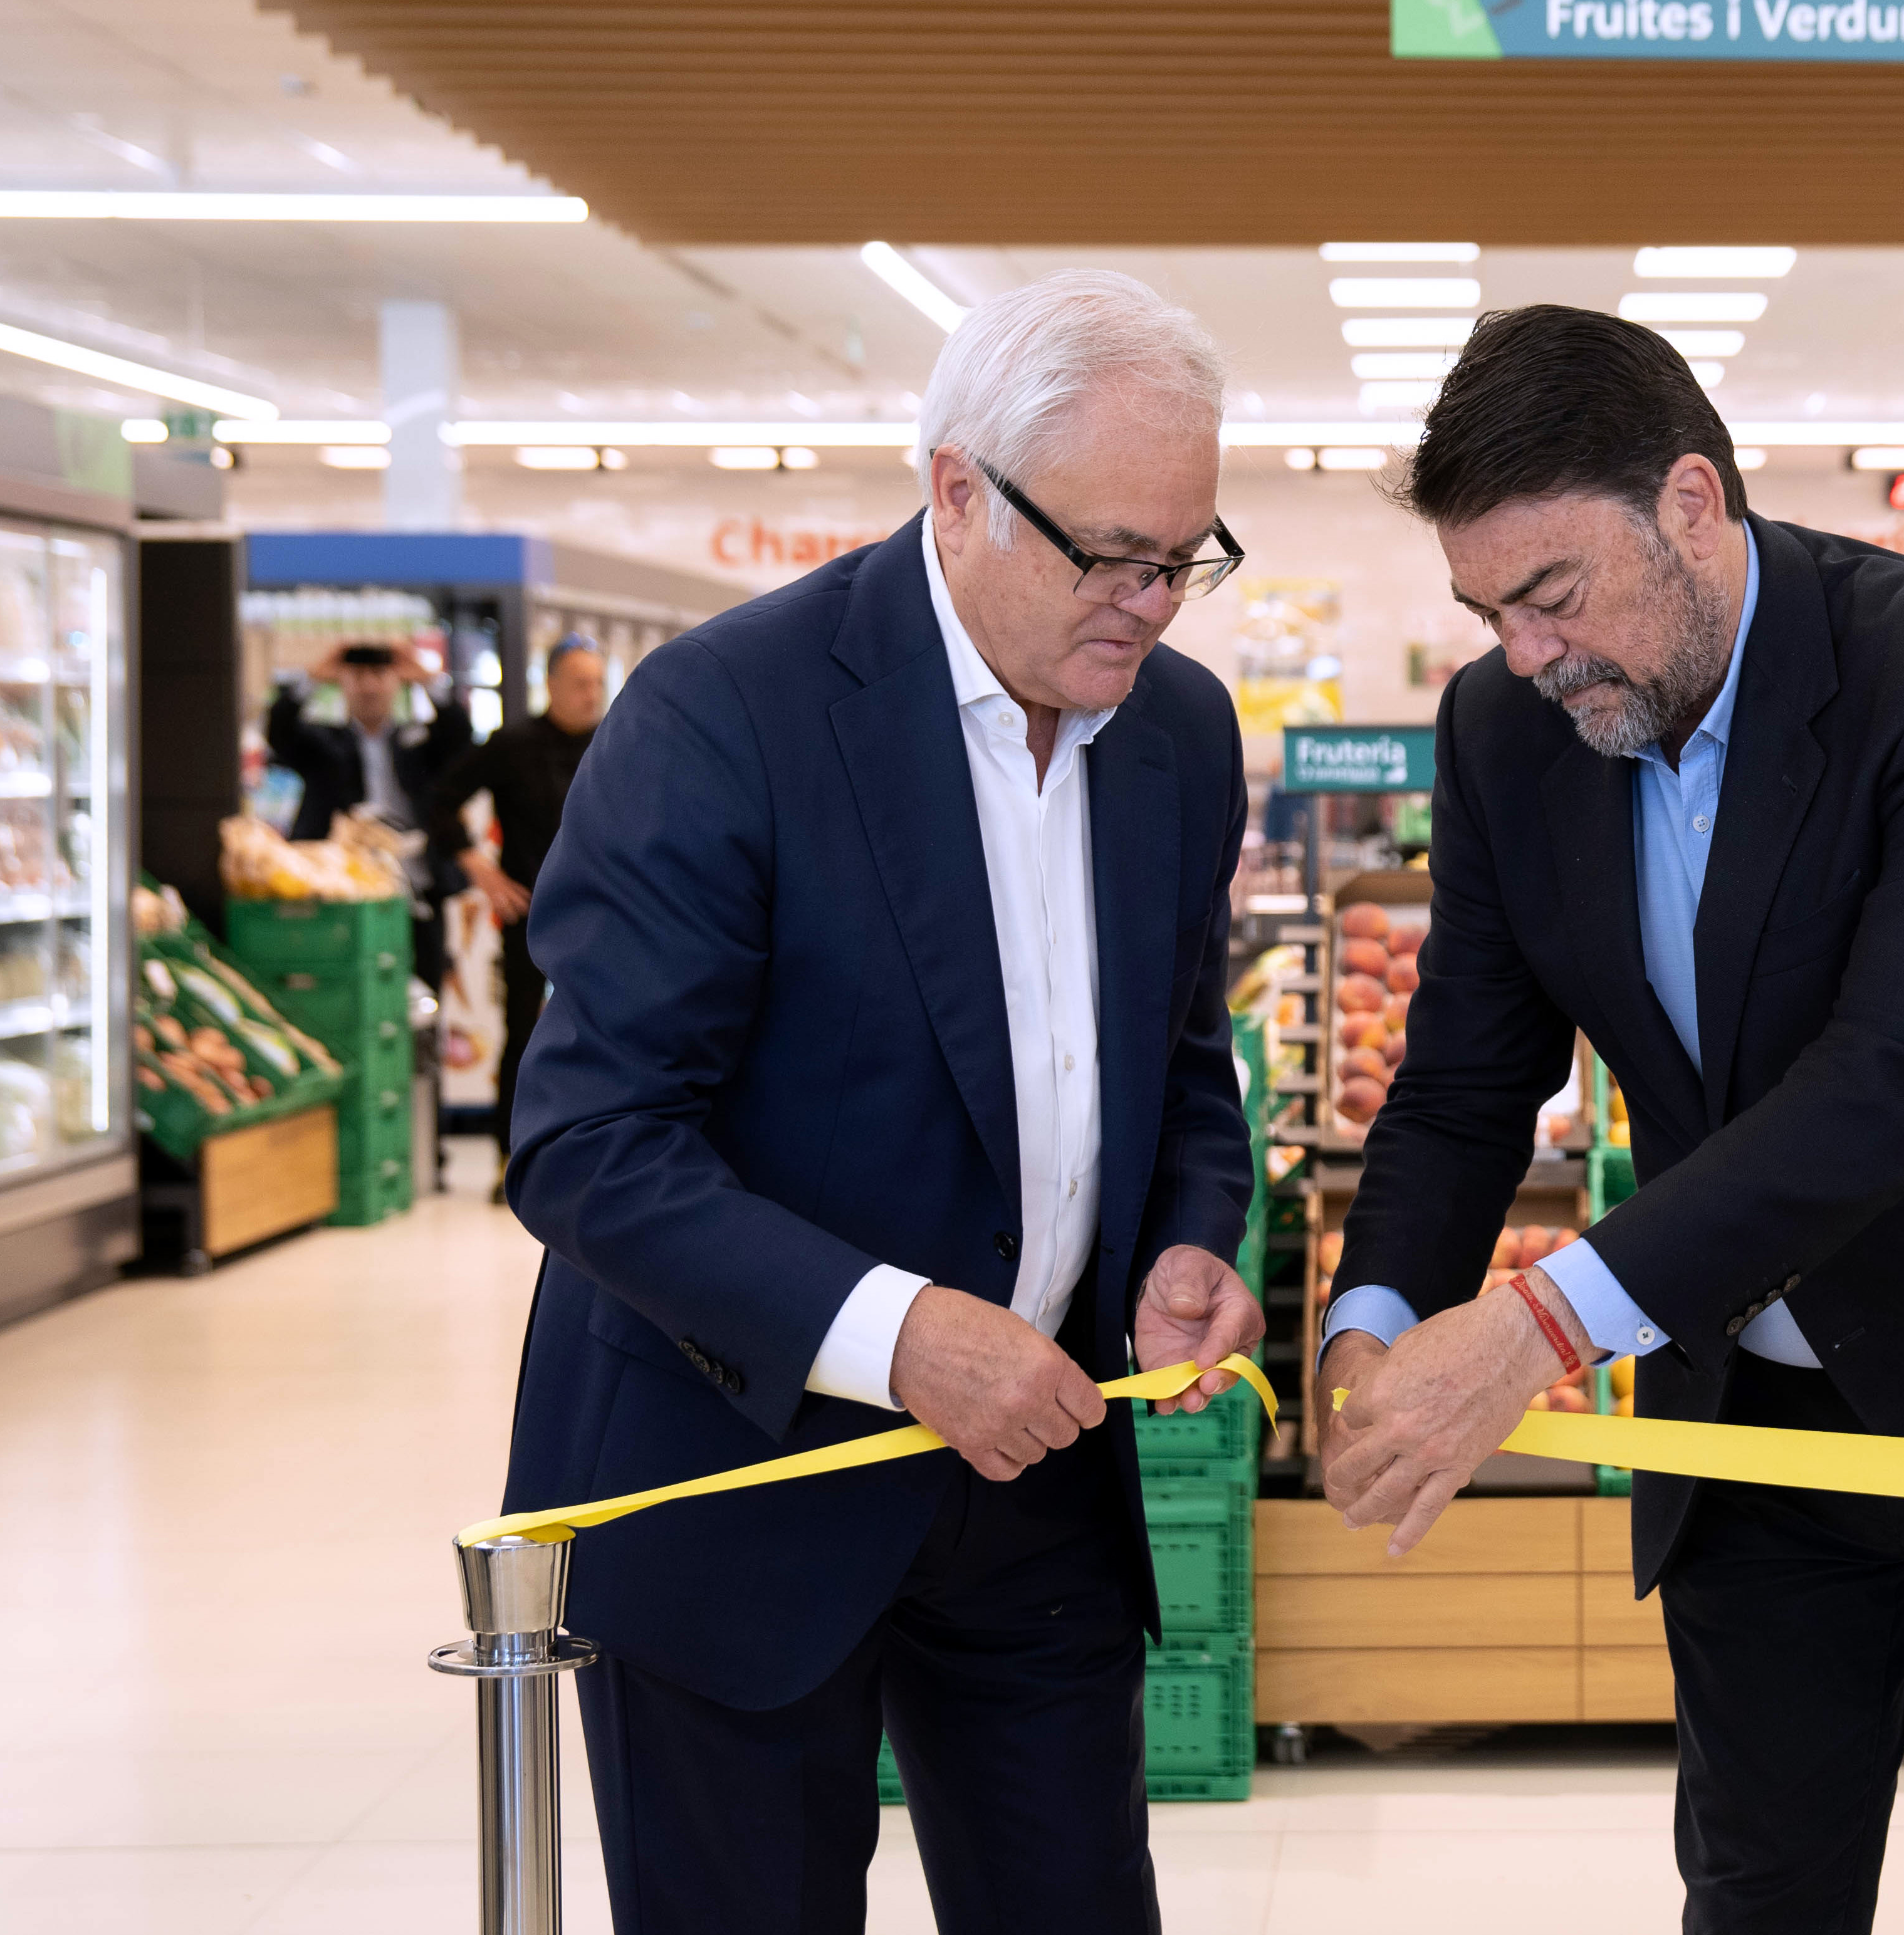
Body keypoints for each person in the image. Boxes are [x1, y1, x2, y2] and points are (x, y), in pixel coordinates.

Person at [1314, 306, 1904, 1934]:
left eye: (1552, 597)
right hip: (1752, 1411)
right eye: (1487, 613)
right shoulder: (1501, 735)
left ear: (1693, 504)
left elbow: (1898, 1075)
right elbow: (1470, 1074)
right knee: (1761, 1891)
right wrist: (1374, 1319)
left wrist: (1539, 1324)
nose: (1526, 655)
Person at [496, 271, 1265, 1934]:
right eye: (1110, 555)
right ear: (957, 490)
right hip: (736, 1479)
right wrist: (904, 1334)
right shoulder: (727, 716)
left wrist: (1192, 1237)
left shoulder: (1180, 736)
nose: (1150, 603)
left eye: (1185, 559)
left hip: (1036, 1478)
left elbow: (1185, 1059)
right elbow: (588, 1140)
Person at [424, 635, 608, 1167]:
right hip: (529, 910)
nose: (590, 694)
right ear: (550, 685)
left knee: (606, 1032)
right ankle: (511, 1155)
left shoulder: (617, 741)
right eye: (579, 683)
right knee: (525, 1032)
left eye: (597, 682)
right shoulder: (513, 746)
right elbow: (440, 801)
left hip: (603, 913)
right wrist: (479, 867)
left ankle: (595, 1150)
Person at [263, 634, 474, 984]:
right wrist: (314, 676)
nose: (370, 686)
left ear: (397, 681)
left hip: (415, 888)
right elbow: (280, 731)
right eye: (359, 675)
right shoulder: (323, 742)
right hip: (342, 891)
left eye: (380, 674)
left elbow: (460, 735)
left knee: (426, 985)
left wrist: (426, 678)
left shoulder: (418, 742)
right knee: (348, 985)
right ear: (342, 683)